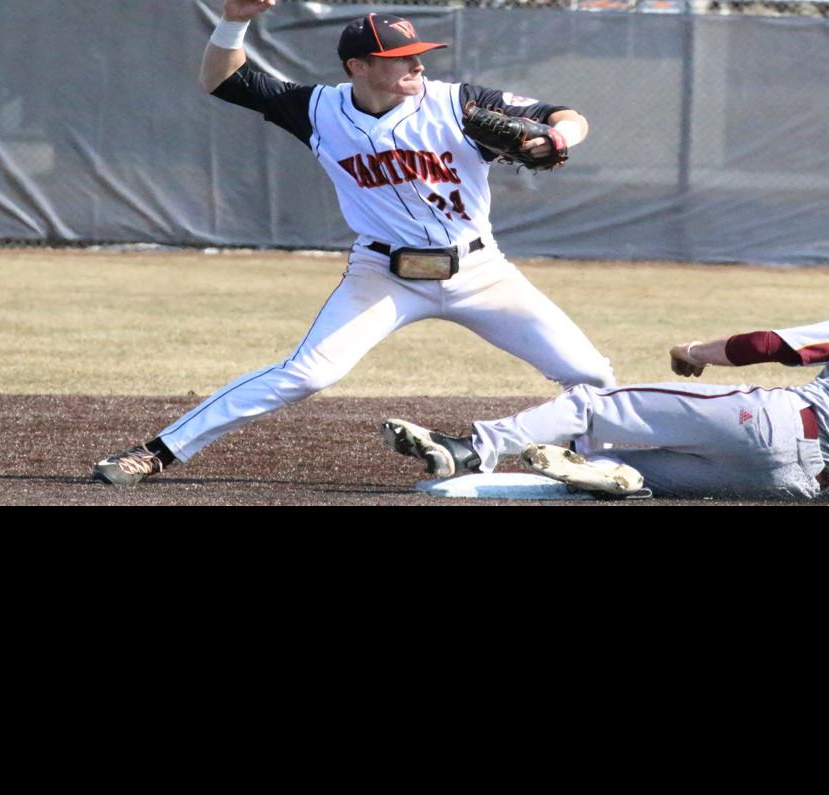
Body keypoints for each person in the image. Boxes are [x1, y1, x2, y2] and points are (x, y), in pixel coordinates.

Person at [92, 0, 615, 486]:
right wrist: (233, 21)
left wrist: (558, 138)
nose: (417, 65)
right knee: (306, 374)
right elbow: (223, 79)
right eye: (400, 58)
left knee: (591, 375)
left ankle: (588, 461)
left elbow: (567, 115)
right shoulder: (318, 109)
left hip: (481, 272)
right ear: (358, 67)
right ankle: (158, 450)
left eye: (418, 55)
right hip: (383, 275)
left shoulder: (457, 102)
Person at [381, 272, 829, 500]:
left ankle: (472, 448)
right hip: (794, 485)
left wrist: (694, 353)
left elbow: (773, 346)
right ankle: (617, 478)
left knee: (593, 408)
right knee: (626, 470)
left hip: (776, 421)